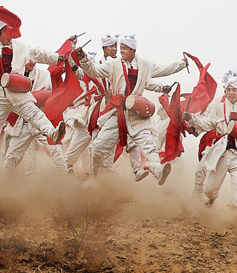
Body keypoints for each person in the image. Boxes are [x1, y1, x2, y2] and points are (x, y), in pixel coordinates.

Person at [77, 34, 186, 184]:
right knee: (97, 148)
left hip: (137, 111)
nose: (121, 51)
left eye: (124, 48)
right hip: (117, 112)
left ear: (133, 50)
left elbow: (163, 69)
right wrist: (83, 59)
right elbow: (93, 71)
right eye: (120, 48)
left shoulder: (145, 65)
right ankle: (93, 177)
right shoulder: (113, 64)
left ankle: (158, 171)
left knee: (148, 144)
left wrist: (181, 64)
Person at [0, 10, 67, 169]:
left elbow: (38, 53)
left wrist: (56, 58)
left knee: (36, 114)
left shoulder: (21, 47)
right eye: (7, 31)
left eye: (11, 31)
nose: (10, 35)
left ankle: (53, 133)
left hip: (18, 92)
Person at [185, 72, 237, 210]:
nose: (231, 93)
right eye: (228, 90)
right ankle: (209, 198)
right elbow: (207, 123)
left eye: (234, 90)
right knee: (208, 187)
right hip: (220, 153)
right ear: (225, 91)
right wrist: (192, 119)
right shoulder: (217, 106)